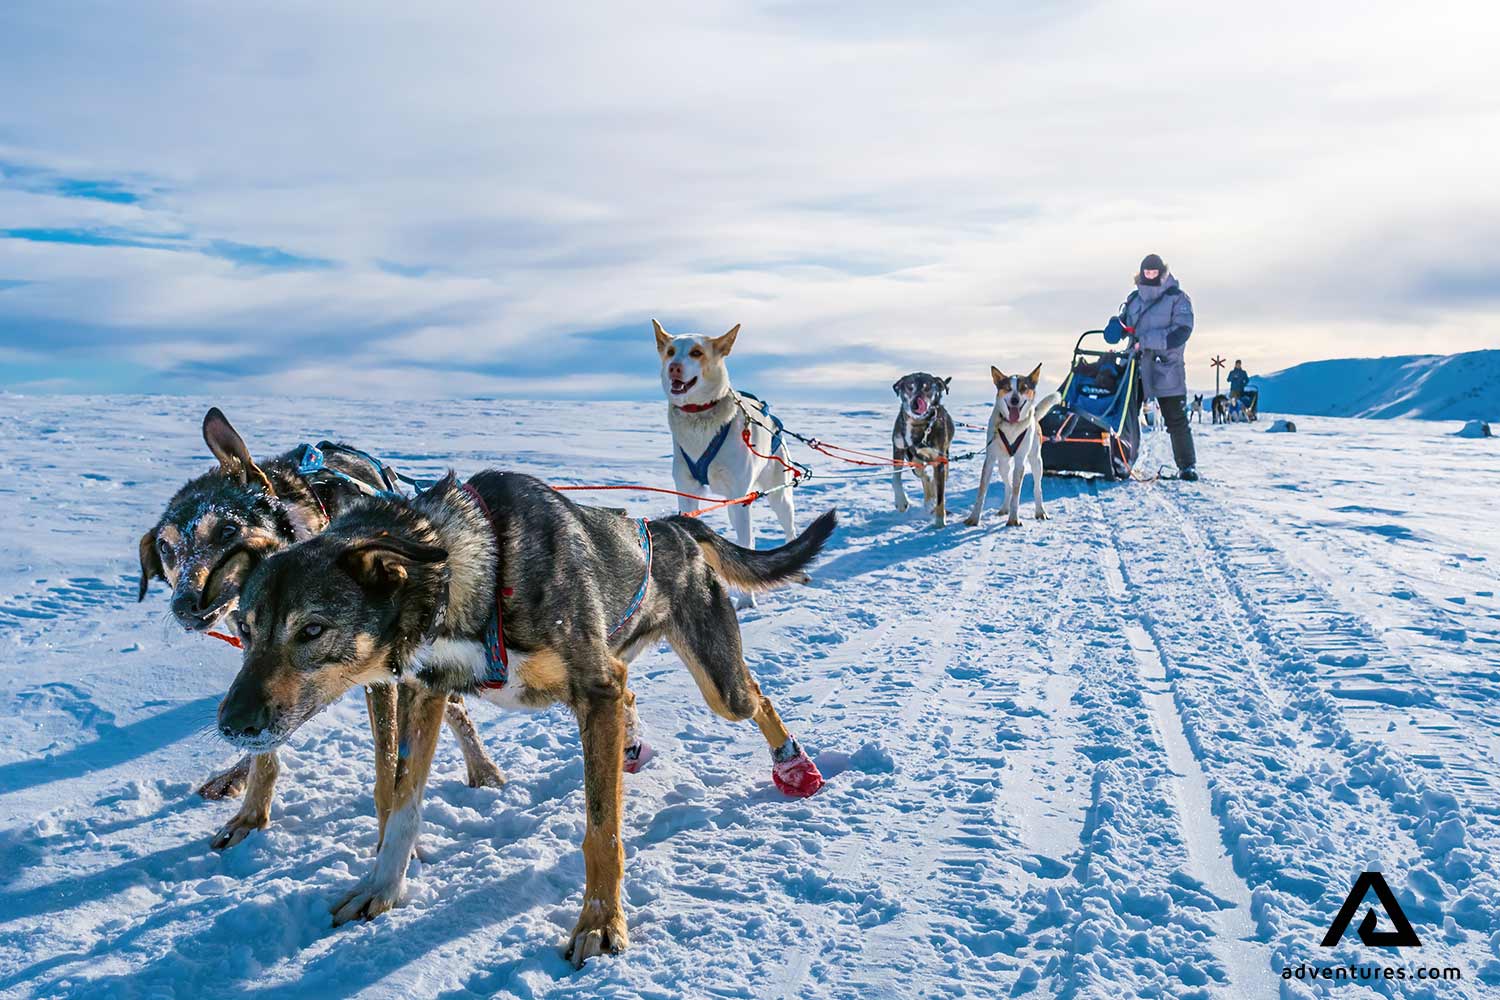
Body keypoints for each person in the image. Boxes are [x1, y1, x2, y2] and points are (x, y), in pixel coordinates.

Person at [1118, 253, 1198, 480]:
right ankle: (1123, 460)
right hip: (1136, 366)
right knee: (1127, 417)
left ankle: (1187, 465)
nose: (1151, 276)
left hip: (1166, 367)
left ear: (1162, 272)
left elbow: (1182, 332)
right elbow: (1126, 326)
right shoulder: (1134, 299)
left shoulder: (1178, 298)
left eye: (1154, 272)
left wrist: (1148, 341)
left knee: (1176, 418)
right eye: (1147, 272)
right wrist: (1116, 328)